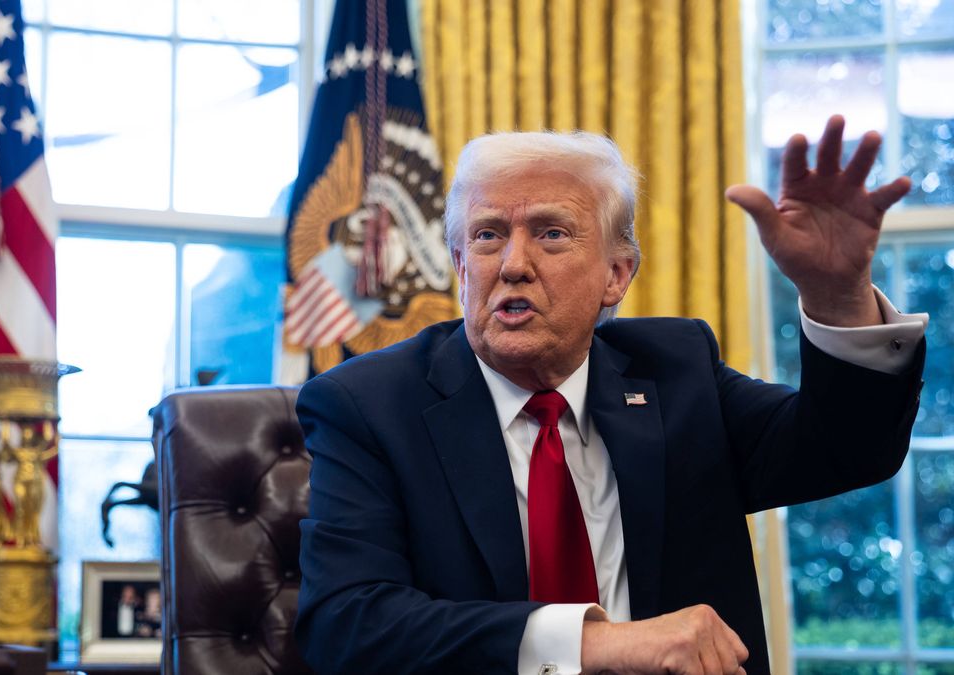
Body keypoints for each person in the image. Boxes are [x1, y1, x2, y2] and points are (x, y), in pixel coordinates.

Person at [294, 116, 927, 675]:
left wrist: (838, 297)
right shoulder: (367, 405)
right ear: (461, 266)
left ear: (616, 275)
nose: (512, 264)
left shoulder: (676, 372)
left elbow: (846, 450)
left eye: (551, 233)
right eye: (487, 235)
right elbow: (346, 624)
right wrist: (595, 643)